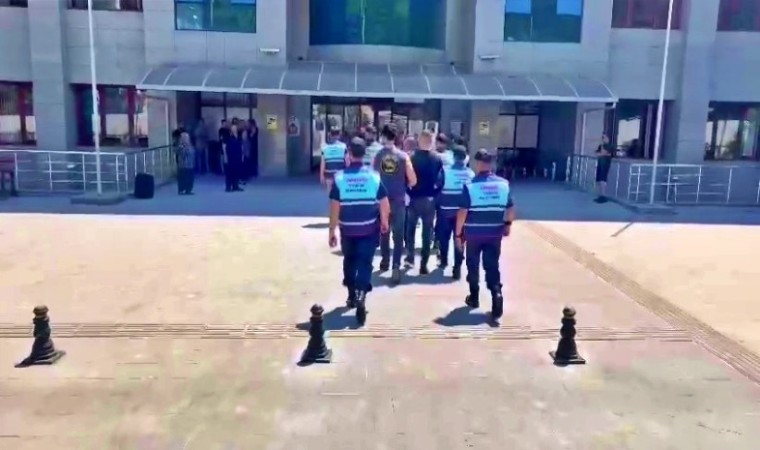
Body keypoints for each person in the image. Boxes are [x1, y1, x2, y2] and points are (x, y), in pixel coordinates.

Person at [329, 137, 390, 326]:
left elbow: (334, 206)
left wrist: (332, 231)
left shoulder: (339, 178)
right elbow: (384, 203)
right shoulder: (374, 177)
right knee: (365, 262)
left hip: (347, 229)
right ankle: (361, 293)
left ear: (349, 154)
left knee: (349, 260)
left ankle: (351, 295)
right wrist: (384, 222)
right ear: (364, 155)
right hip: (368, 228)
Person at [455, 149, 515, 321]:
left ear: (477, 164)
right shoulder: (503, 184)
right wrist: (507, 225)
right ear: (491, 164)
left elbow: (462, 212)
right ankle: (497, 295)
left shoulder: (470, 185)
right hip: (494, 233)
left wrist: (458, 234)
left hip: (474, 234)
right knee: (492, 265)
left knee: (473, 265)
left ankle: (474, 297)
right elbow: (511, 208)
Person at [373, 123, 417, 285]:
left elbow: (373, 178)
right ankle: (396, 266)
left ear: (383, 136)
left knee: (384, 231)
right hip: (398, 200)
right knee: (398, 236)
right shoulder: (403, 156)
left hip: (382, 200)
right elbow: (413, 180)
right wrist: (405, 184)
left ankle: (384, 260)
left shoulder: (378, 156)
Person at [406, 130, 445, 274]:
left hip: (413, 198)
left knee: (410, 229)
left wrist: (408, 192)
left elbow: (405, 178)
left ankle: (410, 257)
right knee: (427, 232)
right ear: (431, 142)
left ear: (419, 141)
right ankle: (424, 263)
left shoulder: (411, 158)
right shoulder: (437, 159)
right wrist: (434, 194)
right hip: (429, 200)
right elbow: (441, 180)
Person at [436, 145, 474, 279]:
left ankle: (443, 261)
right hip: (463, 214)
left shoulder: (445, 171)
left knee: (443, 237)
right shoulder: (470, 174)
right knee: (459, 239)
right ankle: (457, 268)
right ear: (465, 158)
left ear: (453, 157)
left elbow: (437, 186)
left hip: (446, 211)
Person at [320, 128, 347, 192]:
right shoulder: (343, 146)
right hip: (340, 172)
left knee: (330, 192)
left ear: (330, 135)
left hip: (329, 173)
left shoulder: (324, 146)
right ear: (339, 135)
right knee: (340, 192)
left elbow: (323, 162)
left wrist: (321, 175)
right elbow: (347, 161)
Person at [222, 123, 243, 192]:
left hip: (237, 156)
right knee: (229, 172)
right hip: (230, 156)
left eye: (235, 128)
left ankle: (235, 186)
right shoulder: (227, 136)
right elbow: (224, 147)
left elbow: (241, 147)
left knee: (236, 171)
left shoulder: (239, 137)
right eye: (233, 128)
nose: (234, 129)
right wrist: (225, 156)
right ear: (231, 129)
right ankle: (228, 187)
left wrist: (242, 156)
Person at [595, 134, 614, 203]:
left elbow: (608, 154)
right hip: (600, 164)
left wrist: (602, 153)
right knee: (599, 180)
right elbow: (597, 153)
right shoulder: (601, 145)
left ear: (607, 138)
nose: (603, 139)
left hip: (605, 164)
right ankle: (600, 195)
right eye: (602, 138)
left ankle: (603, 195)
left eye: (604, 137)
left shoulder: (610, 146)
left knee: (603, 180)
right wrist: (601, 153)